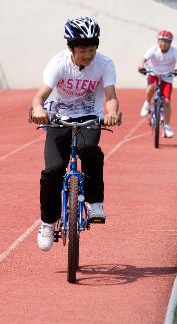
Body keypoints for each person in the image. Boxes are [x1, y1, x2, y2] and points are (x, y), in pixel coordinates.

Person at [31, 16, 120, 252]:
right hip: (58, 117)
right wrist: (39, 109)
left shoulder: (105, 63)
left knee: (90, 150)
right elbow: (39, 96)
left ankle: (95, 203)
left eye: (92, 49)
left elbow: (111, 96)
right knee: (53, 170)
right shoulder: (59, 63)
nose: (88, 55)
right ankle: (48, 223)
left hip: (89, 116)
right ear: (71, 47)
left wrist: (111, 113)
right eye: (82, 50)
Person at [138, 30, 177, 138]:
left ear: (170, 43)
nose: (163, 43)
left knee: (167, 101)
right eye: (161, 41)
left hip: (167, 77)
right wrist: (141, 66)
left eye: (166, 41)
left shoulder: (174, 51)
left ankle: (167, 126)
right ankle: (147, 103)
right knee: (152, 87)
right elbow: (143, 59)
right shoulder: (154, 49)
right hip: (153, 73)